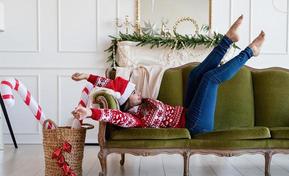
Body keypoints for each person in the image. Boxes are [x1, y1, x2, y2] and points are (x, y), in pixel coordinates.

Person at [71, 15, 265, 136]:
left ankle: (228, 40)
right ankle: (250, 52)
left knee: (195, 75)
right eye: (133, 92)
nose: (138, 91)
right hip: (195, 125)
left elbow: (111, 84)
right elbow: (112, 115)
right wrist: (89, 112)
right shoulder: (134, 119)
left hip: (188, 112)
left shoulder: (142, 103)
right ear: (125, 102)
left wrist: (88, 76)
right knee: (209, 80)